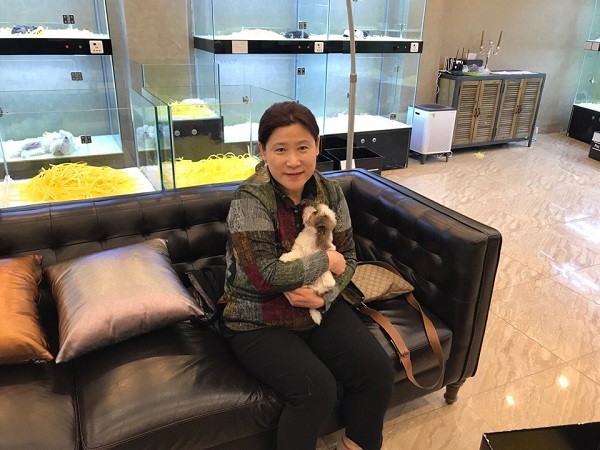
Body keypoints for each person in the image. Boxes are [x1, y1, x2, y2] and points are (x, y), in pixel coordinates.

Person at [220, 101, 395, 450]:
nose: (293, 161)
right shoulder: (249, 199)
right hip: (255, 316)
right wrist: (326, 261)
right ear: (262, 151)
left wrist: (324, 297)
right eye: (280, 150)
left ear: (317, 145)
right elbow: (265, 277)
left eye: (302, 147)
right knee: (316, 390)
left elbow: (350, 257)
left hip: (315, 306)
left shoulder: (331, 192)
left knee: (377, 371)